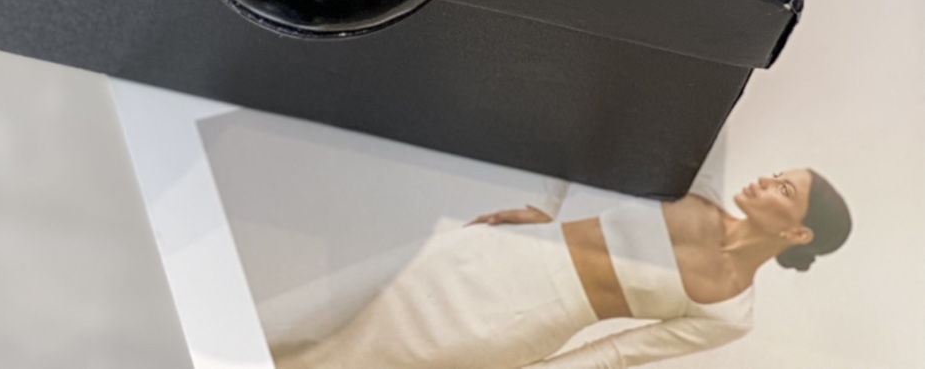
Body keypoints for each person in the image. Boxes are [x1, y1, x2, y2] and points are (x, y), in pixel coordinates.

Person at [274, 159, 851, 368]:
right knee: (323, 310)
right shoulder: (698, 184)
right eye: (777, 173)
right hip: (494, 255)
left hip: (516, 323)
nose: (766, 180)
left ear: (797, 233)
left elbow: (616, 355)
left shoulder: (731, 313)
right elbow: (591, 135)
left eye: (783, 189)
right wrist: (542, 205)